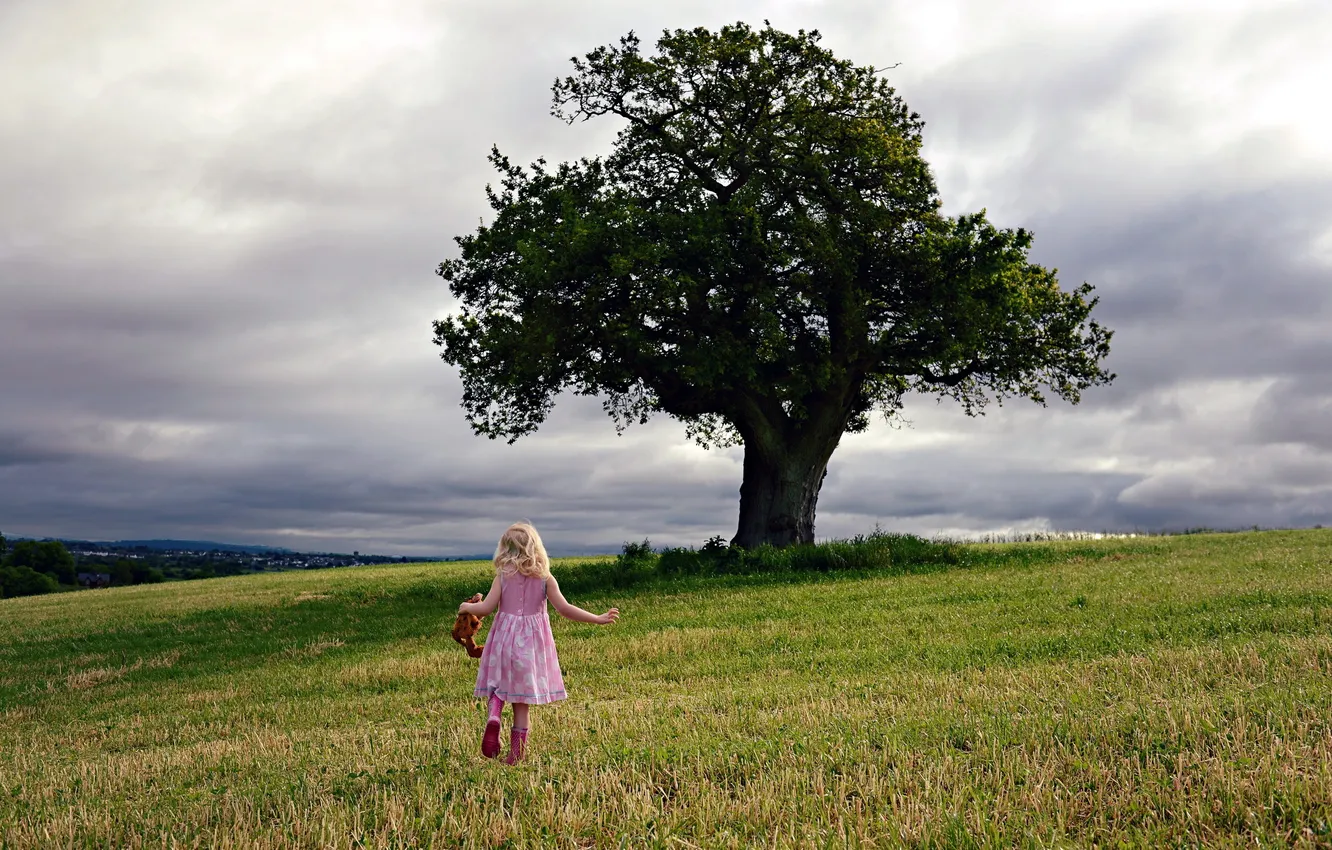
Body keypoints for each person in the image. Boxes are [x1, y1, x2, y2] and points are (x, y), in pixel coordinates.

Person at [460, 521, 620, 764]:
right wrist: (597, 618)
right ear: (535, 547)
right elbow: (565, 609)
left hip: (504, 639)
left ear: (504, 550)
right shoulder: (545, 578)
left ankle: (494, 713)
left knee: (497, 683)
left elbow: (486, 607)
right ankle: (515, 755)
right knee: (521, 704)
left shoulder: (503, 577)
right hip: (531, 647)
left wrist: (466, 607)